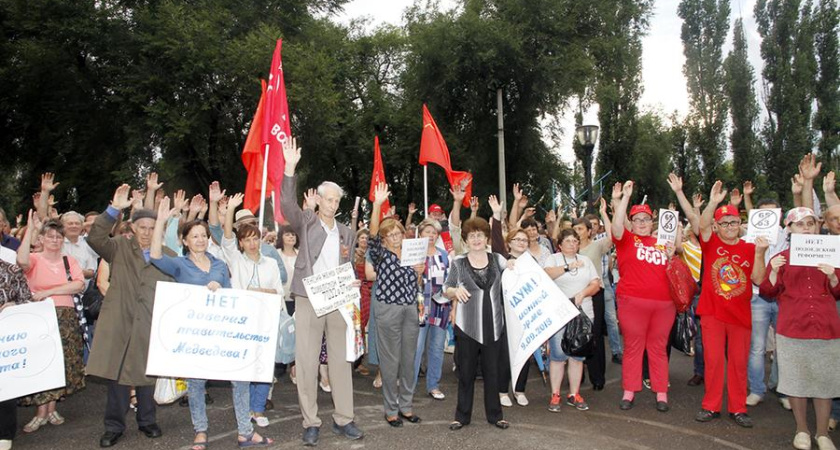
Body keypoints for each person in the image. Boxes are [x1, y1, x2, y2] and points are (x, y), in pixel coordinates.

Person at [149, 196, 273, 449]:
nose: (201, 240)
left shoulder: (219, 264)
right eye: (194, 236)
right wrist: (161, 222)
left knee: (240, 380)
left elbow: (232, 299)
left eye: (203, 235)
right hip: (196, 336)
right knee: (196, 384)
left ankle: (245, 432)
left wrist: (220, 290)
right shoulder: (180, 265)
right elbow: (154, 256)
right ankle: (201, 431)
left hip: (223, 334)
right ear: (184, 241)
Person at [280, 137, 363, 446]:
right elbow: (287, 206)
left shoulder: (346, 233)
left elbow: (347, 266)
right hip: (308, 297)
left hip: (338, 298)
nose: (333, 205)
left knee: (341, 361)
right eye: (328, 199)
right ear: (318, 199)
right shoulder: (307, 222)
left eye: (337, 201)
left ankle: (344, 418)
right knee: (307, 359)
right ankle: (310, 421)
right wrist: (290, 168)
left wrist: (352, 281)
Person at [86, 185, 171, 448]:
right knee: (118, 376)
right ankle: (114, 426)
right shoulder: (119, 248)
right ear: (133, 227)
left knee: (147, 375)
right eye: (142, 227)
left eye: (151, 228)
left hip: (148, 323)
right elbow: (95, 238)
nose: (146, 232)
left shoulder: (167, 256)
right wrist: (114, 210)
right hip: (120, 321)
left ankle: (148, 421)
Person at [758, 207, 840, 450]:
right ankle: (802, 429)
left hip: (826, 328)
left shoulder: (831, 255)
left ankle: (822, 433)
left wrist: (834, 277)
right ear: (790, 229)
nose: (806, 227)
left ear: (817, 226)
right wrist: (773, 270)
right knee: (796, 382)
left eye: (810, 223)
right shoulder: (781, 259)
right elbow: (767, 292)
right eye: (800, 224)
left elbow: (838, 292)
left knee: (824, 383)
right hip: (792, 328)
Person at [694, 181, 765, 428]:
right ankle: (711, 406)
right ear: (717, 226)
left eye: (733, 222)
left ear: (740, 223)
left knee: (738, 363)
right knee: (713, 362)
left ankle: (738, 408)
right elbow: (701, 225)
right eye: (724, 223)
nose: (729, 227)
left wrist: (760, 254)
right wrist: (713, 202)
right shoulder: (711, 242)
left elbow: (758, 278)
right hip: (713, 313)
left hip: (740, 314)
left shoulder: (750, 247)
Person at [219, 193, 285, 428]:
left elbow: (278, 293)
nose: (252, 243)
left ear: (260, 239)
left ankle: (258, 409)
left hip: (266, 321)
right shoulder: (236, 261)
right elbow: (226, 238)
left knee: (264, 367)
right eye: (247, 240)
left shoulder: (271, 264)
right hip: (242, 322)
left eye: (255, 239)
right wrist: (230, 210)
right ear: (241, 243)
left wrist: (257, 292)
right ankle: (244, 409)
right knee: (244, 368)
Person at [16, 213, 86, 433]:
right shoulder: (35, 259)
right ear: (43, 239)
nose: (55, 240)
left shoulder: (69, 261)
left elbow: (78, 285)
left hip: (65, 316)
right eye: (51, 236)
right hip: (40, 317)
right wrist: (30, 230)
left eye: (58, 237)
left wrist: (48, 291)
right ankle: (41, 412)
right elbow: (21, 260)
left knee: (61, 362)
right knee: (41, 362)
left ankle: (52, 408)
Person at [610, 181, 675, 412]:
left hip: (664, 304)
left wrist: (672, 254)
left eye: (645, 219)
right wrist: (624, 198)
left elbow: (678, 262)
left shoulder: (663, 242)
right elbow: (617, 226)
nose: (641, 223)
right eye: (636, 219)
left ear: (652, 221)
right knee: (634, 347)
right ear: (632, 222)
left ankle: (661, 392)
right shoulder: (626, 239)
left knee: (658, 348)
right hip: (632, 302)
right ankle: (629, 391)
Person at [444, 216, 510, 431]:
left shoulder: (498, 260)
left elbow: (514, 275)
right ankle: (461, 416)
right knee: (466, 373)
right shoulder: (459, 263)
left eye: (479, 235)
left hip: (494, 325)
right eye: (471, 236)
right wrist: (455, 291)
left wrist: (515, 266)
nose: (476, 239)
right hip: (467, 326)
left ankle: (496, 415)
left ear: (486, 237)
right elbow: (446, 288)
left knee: (493, 372)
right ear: (465, 240)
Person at [368, 182, 424, 427]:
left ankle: (407, 407)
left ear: (403, 233)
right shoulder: (381, 253)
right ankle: (391, 409)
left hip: (410, 308)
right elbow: (370, 237)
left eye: (397, 232)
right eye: (389, 234)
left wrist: (419, 272)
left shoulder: (413, 251)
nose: (394, 237)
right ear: (384, 238)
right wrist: (377, 205)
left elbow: (416, 283)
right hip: (388, 309)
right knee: (390, 363)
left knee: (409, 360)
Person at [543, 229, 601, 412]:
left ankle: (574, 393)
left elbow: (596, 284)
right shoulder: (553, 259)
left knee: (577, 356)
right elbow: (546, 275)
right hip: (559, 313)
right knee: (558, 356)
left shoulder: (587, 261)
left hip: (583, 313)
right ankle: (555, 394)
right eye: (567, 241)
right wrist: (568, 267)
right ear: (560, 244)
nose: (572, 244)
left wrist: (583, 293)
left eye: (575, 241)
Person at [489, 195, 531, 406]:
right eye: (518, 240)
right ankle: (502, 391)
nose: (522, 243)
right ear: (510, 242)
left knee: (524, 351)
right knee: (504, 354)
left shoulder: (532, 263)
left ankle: (520, 389)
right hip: (505, 314)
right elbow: (496, 240)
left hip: (526, 314)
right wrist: (497, 216)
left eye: (525, 240)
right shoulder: (502, 259)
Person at [573, 200, 613, 391]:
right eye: (575, 229)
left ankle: (597, 377)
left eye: (580, 229)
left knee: (594, 335)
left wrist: (605, 213)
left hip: (595, 294)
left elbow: (614, 237)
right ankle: (577, 375)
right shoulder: (569, 248)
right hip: (575, 295)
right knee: (576, 333)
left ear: (589, 231)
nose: (577, 232)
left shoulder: (597, 246)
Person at [411, 217, 451, 401]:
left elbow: (450, 282)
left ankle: (433, 385)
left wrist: (452, 307)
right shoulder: (413, 254)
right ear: (421, 233)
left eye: (434, 233)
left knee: (436, 348)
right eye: (428, 232)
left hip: (440, 307)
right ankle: (407, 388)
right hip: (419, 307)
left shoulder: (444, 255)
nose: (431, 235)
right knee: (416, 349)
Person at [0, 259, 33, 450]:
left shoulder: (11, 270)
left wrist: (13, 308)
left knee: (4, 386)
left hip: (6, 339)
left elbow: (27, 300)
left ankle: (4, 433)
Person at [353, 228, 373, 376]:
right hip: (355, 293)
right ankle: (354, 360)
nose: (364, 240)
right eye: (362, 238)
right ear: (357, 240)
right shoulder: (352, 255)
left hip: (369, 292)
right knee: (356, 326)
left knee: (364, 326)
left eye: (367, 238)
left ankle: (361, 360)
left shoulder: (372, 255)